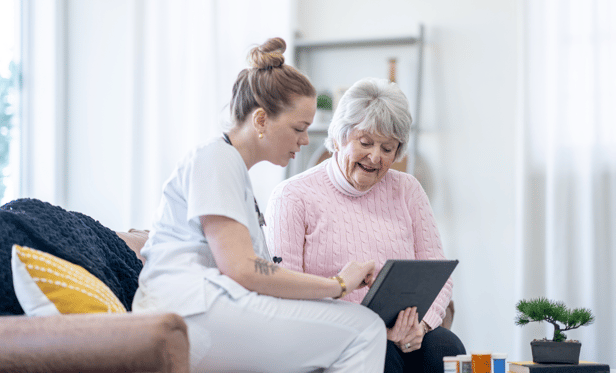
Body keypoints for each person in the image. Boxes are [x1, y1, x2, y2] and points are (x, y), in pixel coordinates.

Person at [132, 38, 387, 372]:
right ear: (262, 120)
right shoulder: (214, 158)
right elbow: (243, 268)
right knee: (364, 329)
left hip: (203, 307)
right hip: (189, 309)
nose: (306, 139)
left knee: (347, 332)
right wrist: (336, 286)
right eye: (299, 127)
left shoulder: (232, 169)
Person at [265, 77, 466, 373]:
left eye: (388, 148)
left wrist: (421, 327)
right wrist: (373, 331)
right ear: (339, 138)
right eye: (365, 142)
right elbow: (287, 288)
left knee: (447, 349)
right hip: (335, 331)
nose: (375, 157)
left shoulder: (408, 190)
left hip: (405, 329)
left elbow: (439, 272)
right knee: (381, 355)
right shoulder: (292, 196)